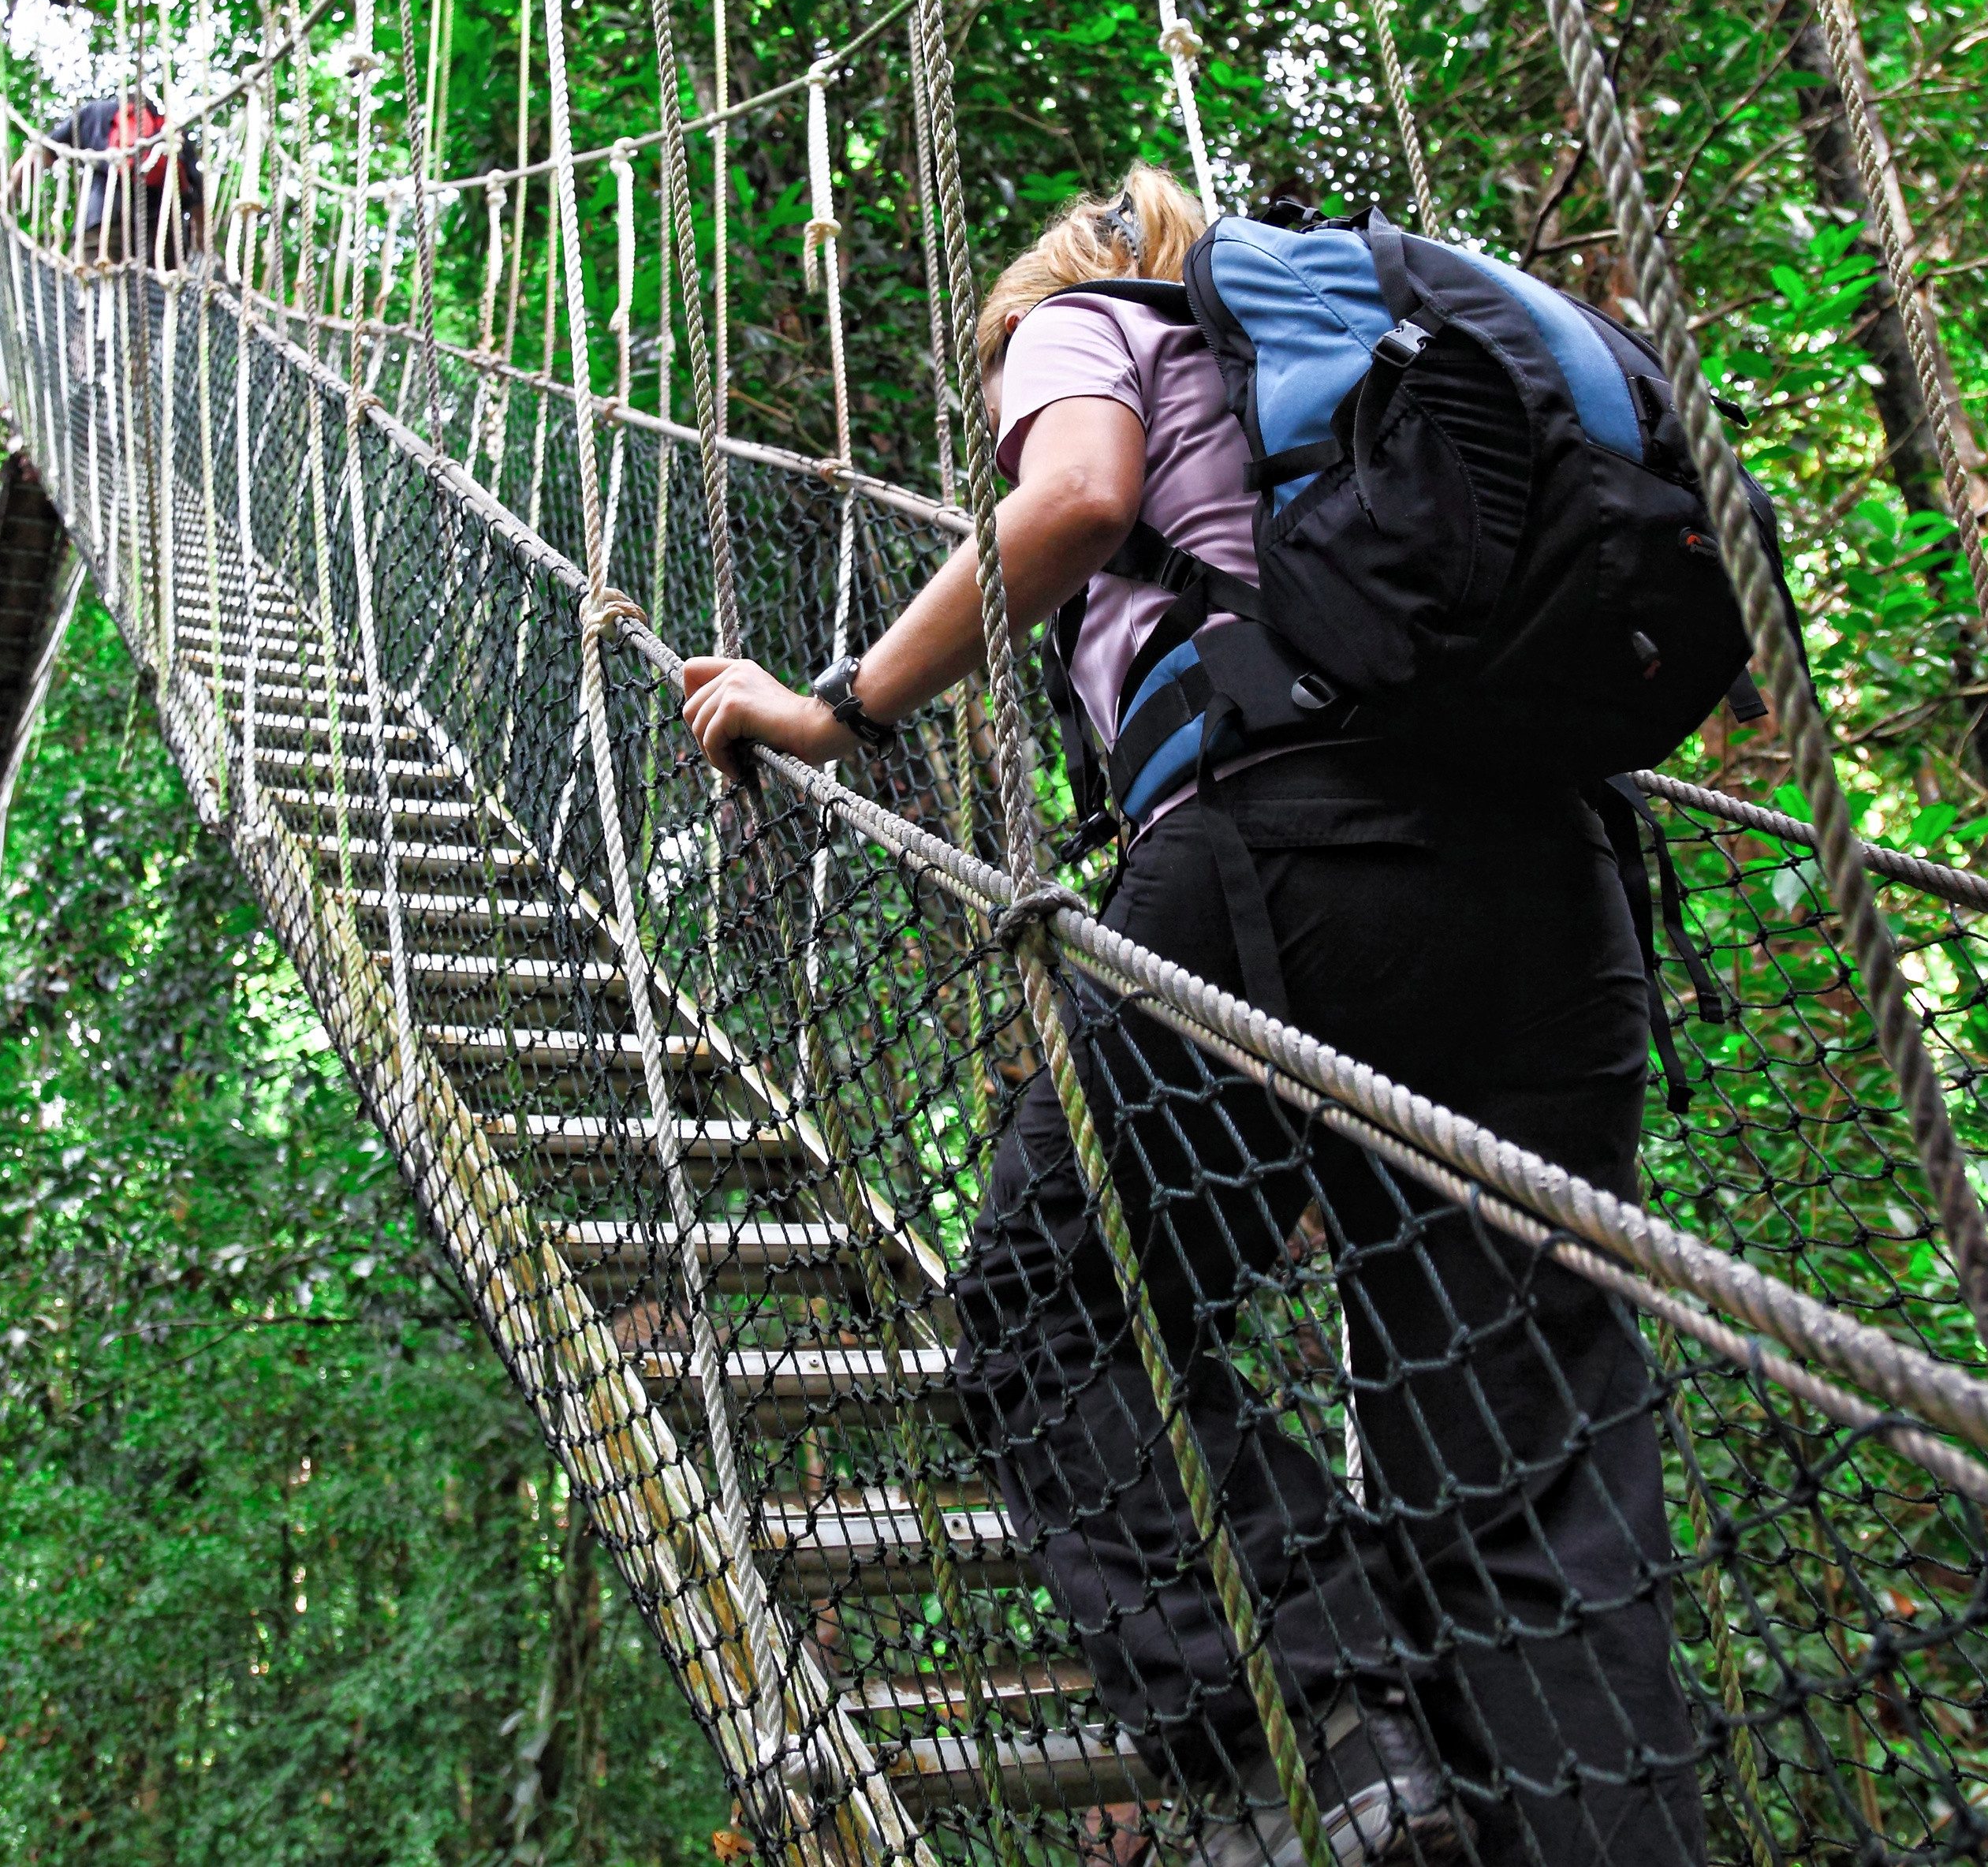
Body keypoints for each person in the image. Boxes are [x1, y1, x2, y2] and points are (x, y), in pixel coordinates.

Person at [676, 166, 1706, 1867]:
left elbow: (1076, 497)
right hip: (1556, 886)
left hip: (1287, 855)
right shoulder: (1368, 345)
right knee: (1521, 1444)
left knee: (1037, 1315)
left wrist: (834, 702)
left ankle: (1321, 1715)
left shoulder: (1091, 319)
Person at [39, 91, 203, 265]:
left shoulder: (95, 114)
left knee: (90, 284)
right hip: (162, 237)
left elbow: (42, 153)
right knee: (162, 289)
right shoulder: (171, 132)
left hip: (103, 226)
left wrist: (11, 189)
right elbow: (196, 194)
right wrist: (201, 236)